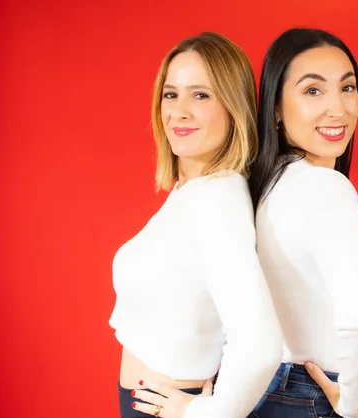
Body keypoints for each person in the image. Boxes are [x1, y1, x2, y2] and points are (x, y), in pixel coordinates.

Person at [108, 32, 282, 418]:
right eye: (171, 94)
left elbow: (259, 343)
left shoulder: (216, 200)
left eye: (200, 95)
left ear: (233, 105)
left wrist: (206, 413)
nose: (179, 111)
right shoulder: (196, 191)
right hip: (144, 405)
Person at [248, 28, 358, 418]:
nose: (339, 108)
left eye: (347, 88)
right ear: (276, 108)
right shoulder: (325, 188)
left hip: (264, 392)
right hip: (306, 396)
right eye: (313, 91)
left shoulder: (268, 183)